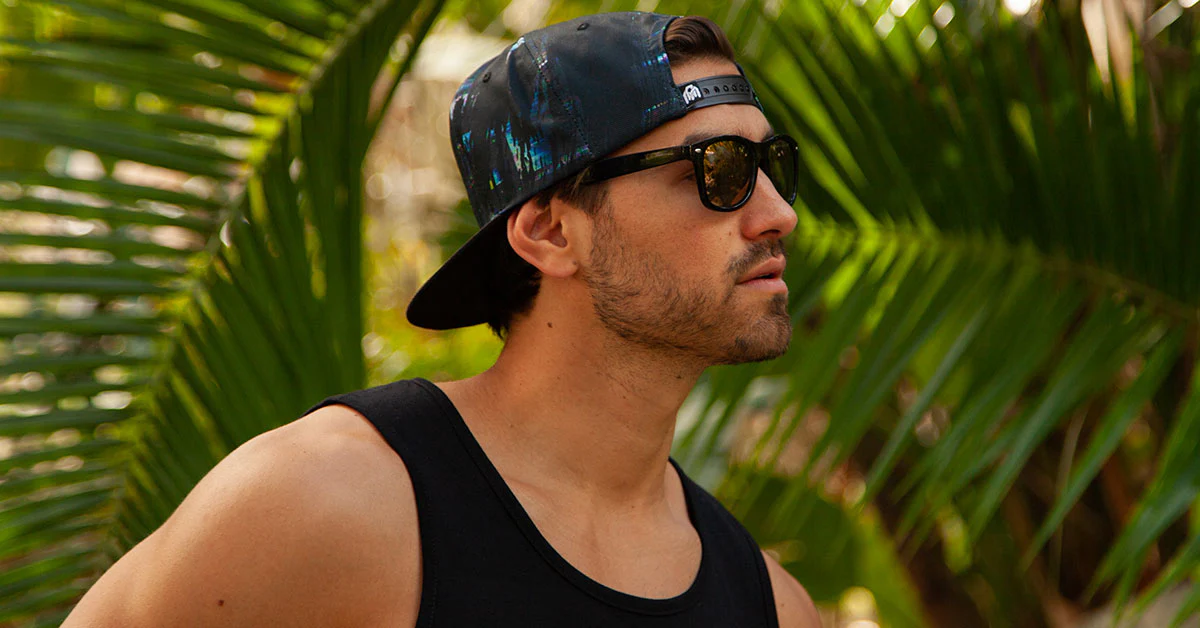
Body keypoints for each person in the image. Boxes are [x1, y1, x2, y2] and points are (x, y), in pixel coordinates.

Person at [63, 12, 820, 627]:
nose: (778, 214)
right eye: (720, 170)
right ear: (552, 232)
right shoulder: (333, 501)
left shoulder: (770, 604)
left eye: (773, 166)